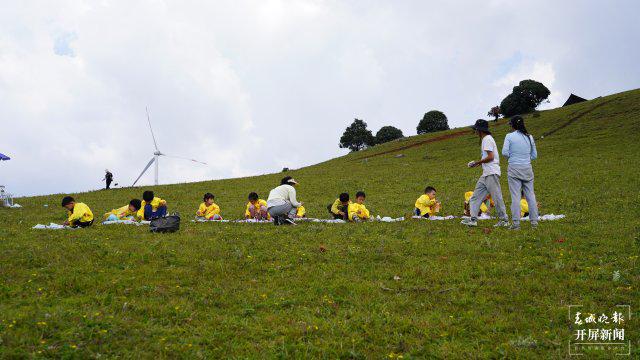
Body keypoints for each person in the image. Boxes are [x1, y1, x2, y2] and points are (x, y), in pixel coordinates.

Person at [461, 119, 509, 227]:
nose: (475, 132)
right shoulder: (486, 139)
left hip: (491, 173)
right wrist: (477, 164)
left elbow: (491, 157)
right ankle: (473, 220)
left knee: (496, 197)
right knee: (475, 197)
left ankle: (504, 220)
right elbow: (488, 157)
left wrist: (478, 162)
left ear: (480, 130)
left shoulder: (487, 139)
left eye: (476, 129)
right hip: (486, 173)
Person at [502, 115, 539, 230]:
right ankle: (534, 223)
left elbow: (504, 152)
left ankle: (516, 224)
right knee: (531, 196)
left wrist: (513, 157)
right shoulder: (530, 137)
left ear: (512, 125)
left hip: (514, 168)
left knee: (515, 196)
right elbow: (534, 156)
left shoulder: (509, 136)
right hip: (527, 168)